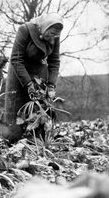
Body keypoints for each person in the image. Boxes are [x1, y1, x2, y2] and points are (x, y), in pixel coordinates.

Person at [4, 13, 64, 142]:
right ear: (44, 26)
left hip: (39, 73)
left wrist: (51, 85)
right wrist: (28, 84)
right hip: (19, 72)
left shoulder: (55, 36)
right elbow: (16, 59)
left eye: (55, 35)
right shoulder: (25, 30)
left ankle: (35, 144)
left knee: (39, 112)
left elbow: (54, 61)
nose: (52, 38)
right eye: (50, 33)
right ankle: (12, 143)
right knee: (16, 115)